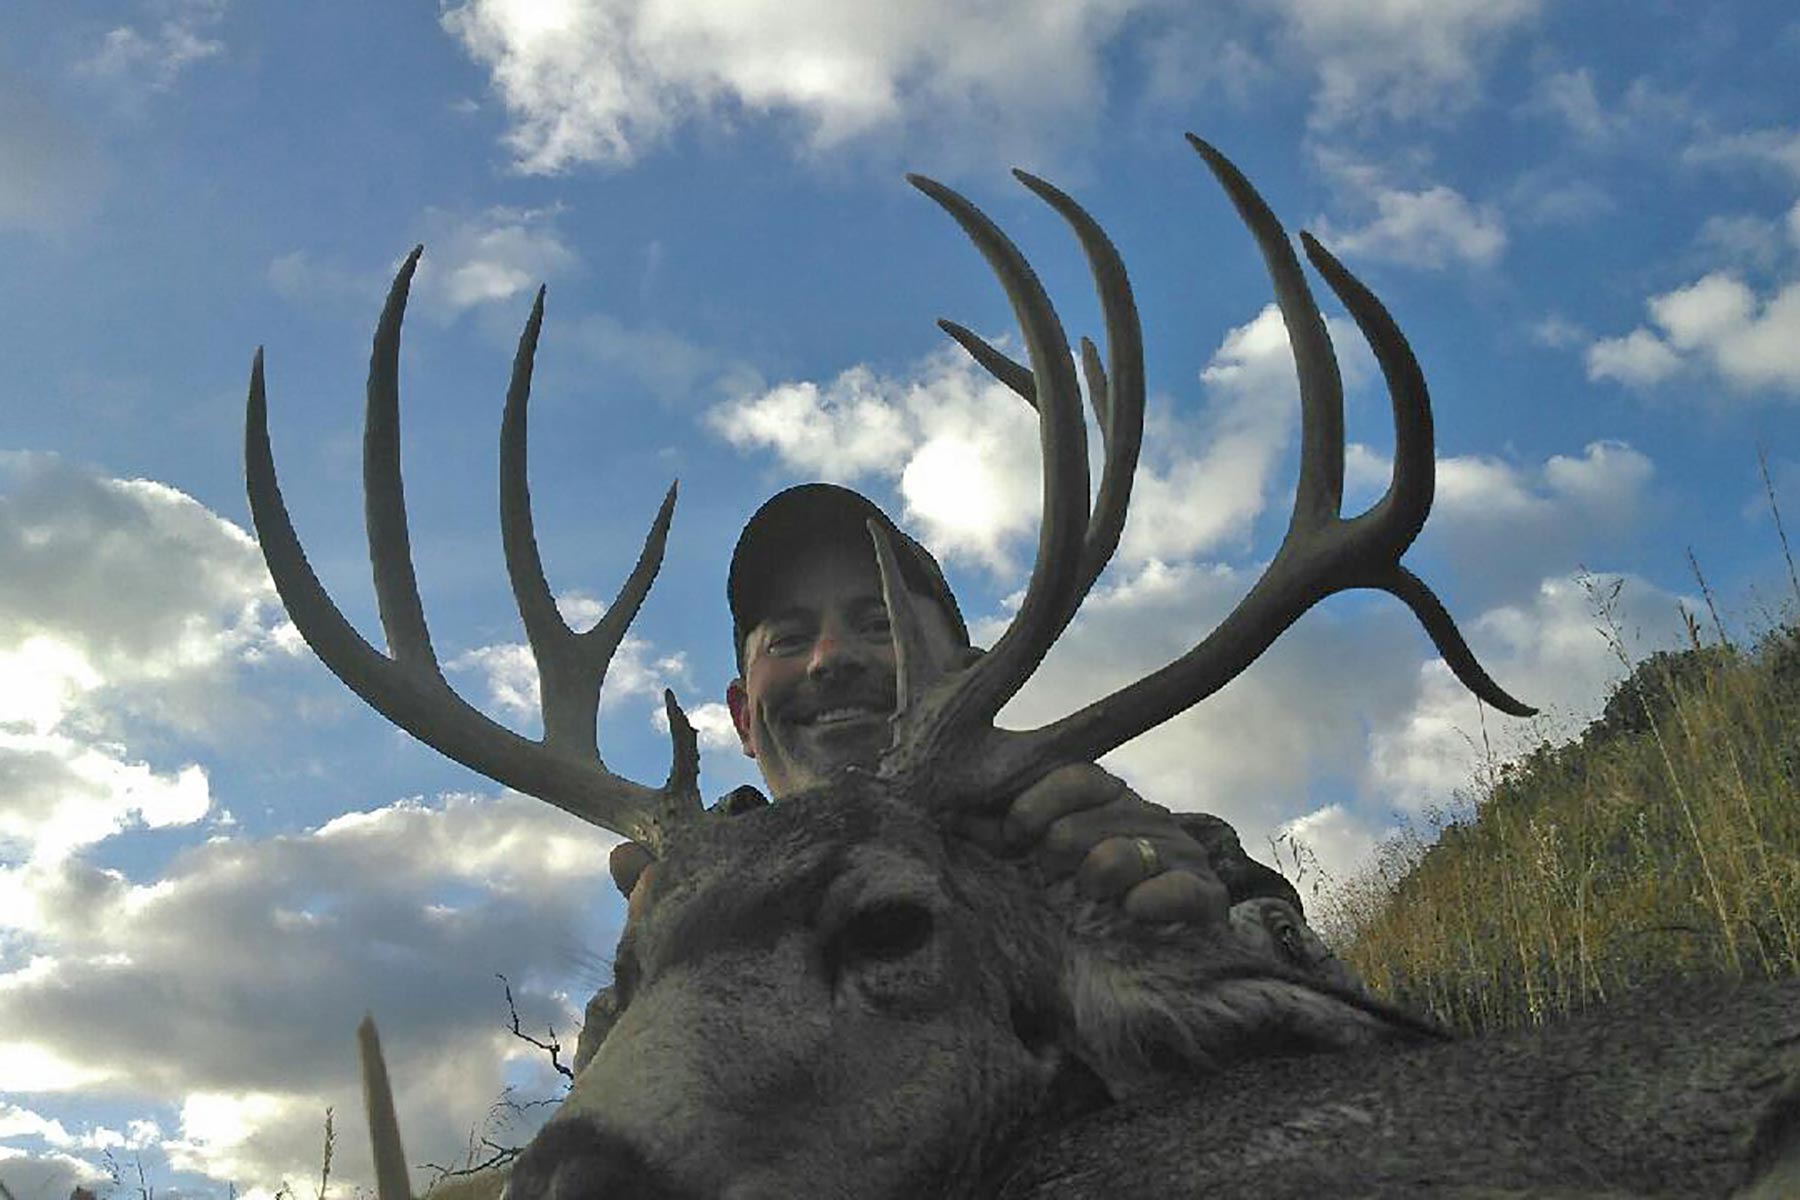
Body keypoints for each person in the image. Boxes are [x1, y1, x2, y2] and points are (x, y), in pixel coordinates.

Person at [609, 483, 1304, 925]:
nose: (829, 658)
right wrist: (646, 980)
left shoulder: (1133, 851)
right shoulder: (686, 909)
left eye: (881, 624)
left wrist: (1214, 931)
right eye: (789, 639)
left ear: (974, 677)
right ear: (742, 718)